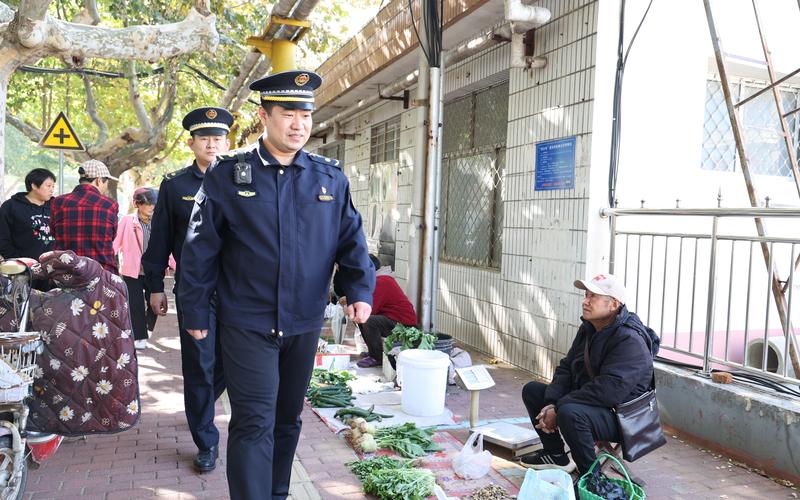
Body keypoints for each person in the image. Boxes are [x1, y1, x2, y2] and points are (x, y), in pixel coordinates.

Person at [178, 70, 375, 499]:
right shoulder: (227, 175)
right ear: (264, 115)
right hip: (247, 322)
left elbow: (351, 240)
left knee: (288, 419)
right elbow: (200, 248)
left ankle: (278, 494)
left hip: (304, 323)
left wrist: (358, 289)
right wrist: (193, 309)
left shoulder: (328, 178)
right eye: (288, 112)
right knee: (253, 422)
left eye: (305, 113)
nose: (299, 123)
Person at [141, 107, 233, 472]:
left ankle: (201, 406)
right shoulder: (175, 185)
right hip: (195, 290)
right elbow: (160, 239)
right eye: (204, 138)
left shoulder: (242, 179)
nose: (211, 144)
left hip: (238, 291)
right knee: (199, 362)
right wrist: (153, 286)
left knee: (228, 362)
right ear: (192, 143)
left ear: (227, 141)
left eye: (217, 138)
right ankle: (206, 440)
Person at [520, 273, 659, 475]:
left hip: (623, 417)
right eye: (586, 295)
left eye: (593, 297)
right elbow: (567, 367)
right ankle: (556, 455)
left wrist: (559, 407)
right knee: (533, 391)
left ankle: (591, 479)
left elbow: (608, 391)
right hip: (599, 405)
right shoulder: (590, 327)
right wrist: (551, 402)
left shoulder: (629, 340)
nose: (585, 301)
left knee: (570, 413)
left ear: (613, 305)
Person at [50, 159, 119, 273]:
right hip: (101, 273)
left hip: (65, 273)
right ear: (98, 181)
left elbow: (53, 232)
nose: (107, 186)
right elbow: (112, 236)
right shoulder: (110, 205)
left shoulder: (58, 202)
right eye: (106, 182)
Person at [114, 187, 160, 350]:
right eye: (148, 204)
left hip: (154, 270)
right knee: (135, 304)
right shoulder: (127, 221)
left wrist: (175, 264)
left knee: (155, 303)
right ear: (138, 204)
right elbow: (115, 241)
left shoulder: (160, 220)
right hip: (131, 269)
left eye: (154, 203)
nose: (152, 207)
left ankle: (148, 327)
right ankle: (140, 336)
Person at [354, 254, 417, 368]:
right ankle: (373, 351)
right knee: (364, 319)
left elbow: (370, 310)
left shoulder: (381, 282)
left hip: (404, 325)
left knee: (368, 320)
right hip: (394, 320)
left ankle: (376, 357)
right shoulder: (379, 279)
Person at [0, 168, 56, 260]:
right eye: (48, 186)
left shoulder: (55, 206)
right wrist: (18, 259)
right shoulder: (11, 206)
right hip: (21, 266)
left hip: (53, 264)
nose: (51, 190)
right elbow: (2, 238)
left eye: (53, 186)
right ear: (34, 185)